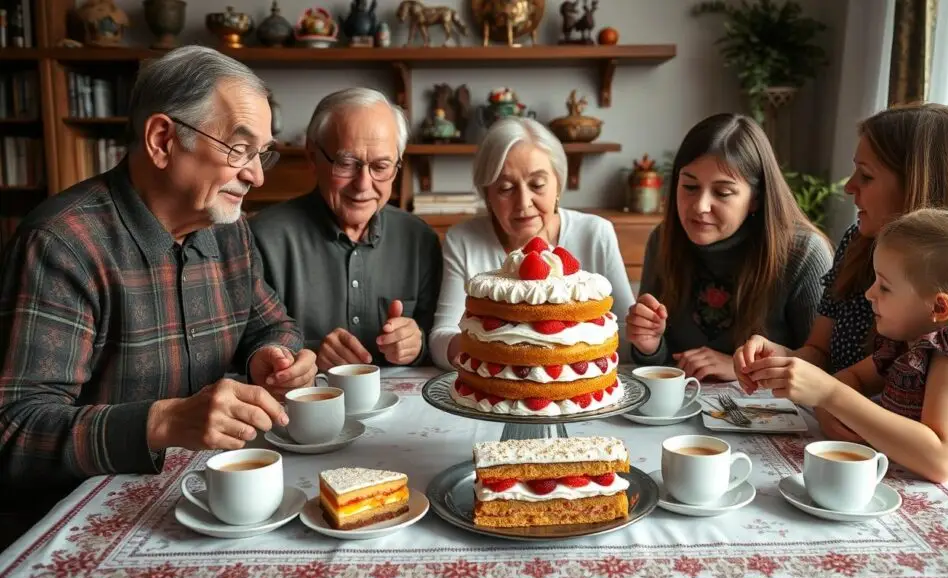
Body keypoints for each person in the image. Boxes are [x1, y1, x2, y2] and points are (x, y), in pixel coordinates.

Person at [0, 46, 317, 547]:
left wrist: (271, 357)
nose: (257, 175)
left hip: (214, 501)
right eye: (239, 150)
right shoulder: (63, 243)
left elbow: (271, 324)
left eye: (263, 154)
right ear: (163, 139)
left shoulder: (228, 228)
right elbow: (14, 431)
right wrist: (162, 421)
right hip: (90, 528)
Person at [741, 203, 948, 536]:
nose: (869, 293)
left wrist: (830, 394)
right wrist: (829, 400)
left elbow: (940, 458)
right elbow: (855, 379)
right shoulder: (908, 344)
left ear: (939, 306)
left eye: (884, 287)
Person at [734, 103, 948, 379]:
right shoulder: (857, 241)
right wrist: (781, 358)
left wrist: (831, 397)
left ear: (914, 185)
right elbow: (819, 352)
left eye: (866, 175)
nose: (849, 186)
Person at [625, 113, 832, 381]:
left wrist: (742, 369)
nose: (700, 206)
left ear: (755, 198)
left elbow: (824, 365)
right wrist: (649, 345)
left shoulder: (803, 252)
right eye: (689, 186)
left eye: (722, 192)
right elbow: (664, 365)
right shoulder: (663, 239)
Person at [251, 89, 441, 370]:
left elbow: (437, 338)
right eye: (347, 163)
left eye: (380, 166)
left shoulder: (420, 240)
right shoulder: (262, 238)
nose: (363, 184)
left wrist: (417, 343)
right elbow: (245, 347)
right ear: (313, 157)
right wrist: (309, 354)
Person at [428, 117, 634, 369]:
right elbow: (441, 338)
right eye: (505, 188)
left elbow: (625, 329)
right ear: (487, 195)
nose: (524, 202)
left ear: (558, 183)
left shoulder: (596, 233)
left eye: (537, 184)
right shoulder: (463, 240)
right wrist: (494, 344)